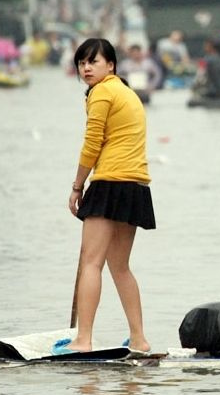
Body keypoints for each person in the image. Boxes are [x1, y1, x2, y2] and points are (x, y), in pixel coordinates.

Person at [57, 38, 155, 355]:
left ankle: (83, 339)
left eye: (93, 61)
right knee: (120, 266)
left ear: (110, 65)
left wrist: (76, 186)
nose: (86, 68)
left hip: (111, 181)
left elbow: (92, 142)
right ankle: (139, 339)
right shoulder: (126, 91)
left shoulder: (101, 92)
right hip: (136, 185)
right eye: (82, 63)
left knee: (91, 263)